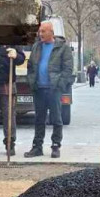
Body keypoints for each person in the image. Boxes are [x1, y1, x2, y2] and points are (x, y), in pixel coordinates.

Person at [25, 21, 74, 159]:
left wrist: (59, 84)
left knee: (56, 118)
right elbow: (30, 66)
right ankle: (37, 147)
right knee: (39, 119)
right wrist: (31, 81)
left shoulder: (62, 48)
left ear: (51, 32)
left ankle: (55, 146)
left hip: (54, 89)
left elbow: (68, 69)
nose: (40, 34)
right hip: (39, 88)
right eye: (40, 31)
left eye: (43, 31)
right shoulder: (37, 47)